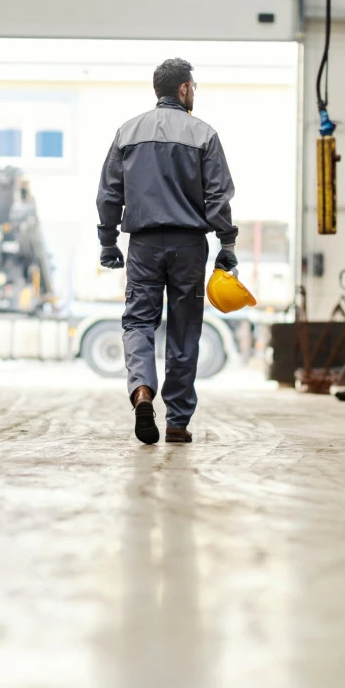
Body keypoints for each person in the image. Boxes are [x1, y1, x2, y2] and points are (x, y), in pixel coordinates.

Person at [95, 58, 238, 445]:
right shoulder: (204, 134)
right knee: (184, 329)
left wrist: (108, 242)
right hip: (189, 246)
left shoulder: (128, 132)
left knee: (139, 321)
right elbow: (218, 197)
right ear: (184, 89)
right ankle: (177, 421)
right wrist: (227, 243)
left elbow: (109, 193)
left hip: (143, 245)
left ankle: (141, 390)